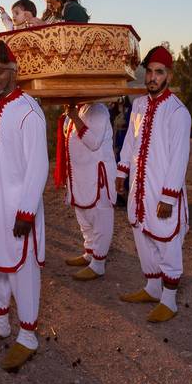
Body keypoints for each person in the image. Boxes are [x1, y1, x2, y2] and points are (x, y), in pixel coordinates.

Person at [0, 40, 49, 372]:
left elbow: (39, 165)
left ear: (14, 72)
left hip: (18, 209)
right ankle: (0, 323)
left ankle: (27, 336)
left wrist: (27, 210)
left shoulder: (29, 110)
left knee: (22, 270)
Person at [115, 45, 191, 323]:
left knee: (166, 242)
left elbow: (179, 158)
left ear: (169, 76)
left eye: (158, 73)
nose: (152, 78)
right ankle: (152, 287)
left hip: (162, 190)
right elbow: (130, 144)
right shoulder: (139, 105)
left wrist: (168, 197)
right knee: (142, 237)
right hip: (139, 187)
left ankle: (169, 302)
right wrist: (121, 173)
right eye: (148, 72)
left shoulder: (177, 112)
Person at [61, 102, 117, 280]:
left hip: (96, 174)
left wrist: (75, 118)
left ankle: (98, 264)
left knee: (99, 217)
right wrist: (72, 115)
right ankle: (90, 252)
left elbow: (93, 142)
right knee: (84, 215)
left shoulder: (99, 109)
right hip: (79, 174)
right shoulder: (79, 109)